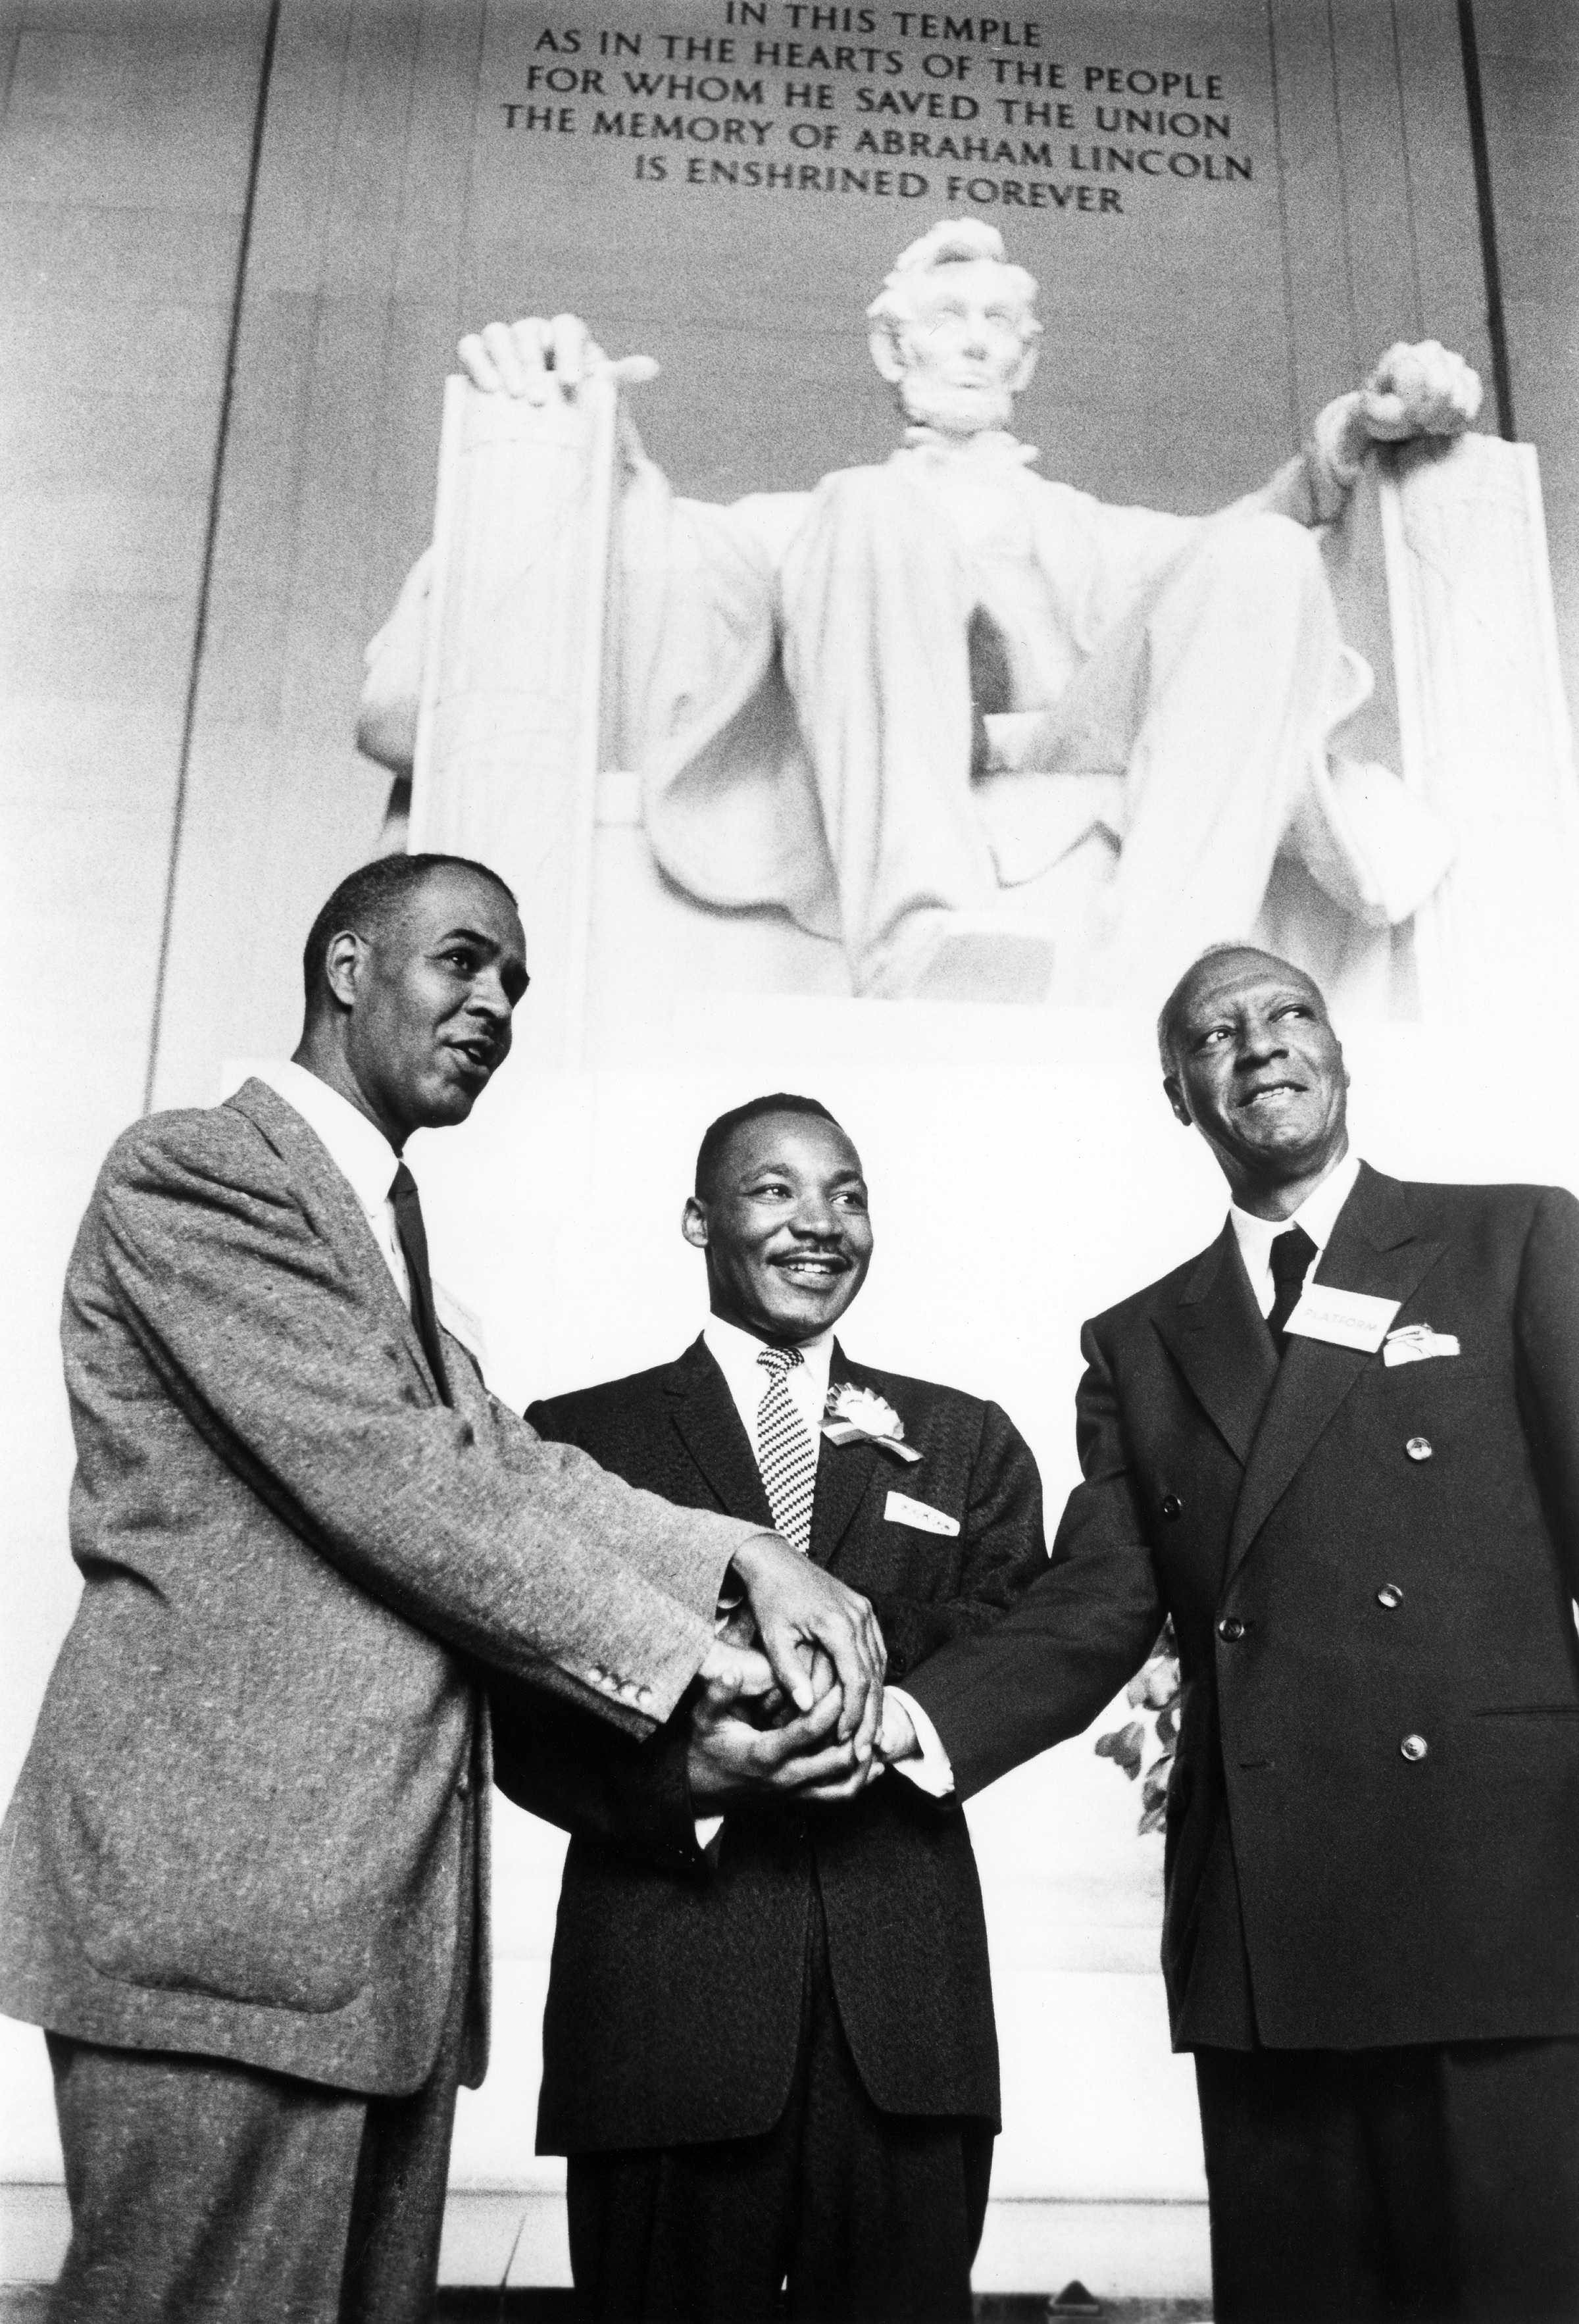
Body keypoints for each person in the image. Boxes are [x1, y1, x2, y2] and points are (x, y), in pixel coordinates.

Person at [0, 854, 885, 2324]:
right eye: (462, 962)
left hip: (363, 1945)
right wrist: (699, 1657)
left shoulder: (387, 1239)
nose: (495, 1005)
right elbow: (400, 1485)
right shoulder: (199, 1173)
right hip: (224, 1920)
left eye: (517, 984)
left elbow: (509, 1465)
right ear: (347, 967)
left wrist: (745, 1550)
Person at [878, 942, 1579, 2321]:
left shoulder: (1514, 1237)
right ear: (1175, 1093)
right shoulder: (1140, 1340)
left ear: (1339, 1052)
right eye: (1215, 1034)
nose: (1257, 1044)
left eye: (1287, 1014)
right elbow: (1098, 1604)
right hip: (1269, 1914)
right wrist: (916, 1722)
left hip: (1499, 1884)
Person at [359, 221, 1480, 1003]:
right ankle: (919, 940)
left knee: (1268, 561)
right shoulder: (824, 521)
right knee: (872, 509)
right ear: (893, 347)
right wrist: (586, 425)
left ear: (1029, 355)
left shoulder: (1088, 529)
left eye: (1001, 321)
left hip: (1079, 731)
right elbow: (662, 559)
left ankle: (1172, 983)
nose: (978, 339)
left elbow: (1234, 562)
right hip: (885, 766)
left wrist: (1348, 442)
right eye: (949, 316)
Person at [488, 1092, 1049, 2321]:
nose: (820, 1224)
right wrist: (689, 1780)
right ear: (699, 1220)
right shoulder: (579, 1444)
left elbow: (1018, 1639)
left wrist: (848, 1662)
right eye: (775, 1191)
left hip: (906, 2031)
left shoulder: (967, 1442)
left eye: (847, 1194)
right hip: (660, 2027)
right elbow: (519, 1720)